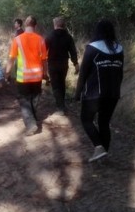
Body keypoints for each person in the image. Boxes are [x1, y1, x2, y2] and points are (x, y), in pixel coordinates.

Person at [74, 19, 124, 162]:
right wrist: (117, 91)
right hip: (113, 94)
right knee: (104, 123)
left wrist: (78, 94)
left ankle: (98, 147)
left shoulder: (92, 47)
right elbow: (120, 72)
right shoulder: (119, 48)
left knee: (86, 120)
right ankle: (103, 155)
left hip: (94, 93)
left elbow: (83, 73)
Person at [5, 16, 48, 136]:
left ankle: (30, 125)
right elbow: (44, 60)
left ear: (25, 25)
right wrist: (45, 73)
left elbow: (11, 58)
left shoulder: (17, 40)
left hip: (23, 77)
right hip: (37, 76)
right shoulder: (41, 40)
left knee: (24, 101)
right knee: (35, 98)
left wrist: (7, 73)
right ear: (35, 26)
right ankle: (33, 118)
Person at [45, 16, 79, 115]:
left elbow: (43, 51)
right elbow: (73, 51)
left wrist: (42, 64)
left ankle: (60, 107)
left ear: (55, 25)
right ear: (63, 25)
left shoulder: (50, 36)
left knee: (55, 85)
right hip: (64, 64)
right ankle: (62, 104)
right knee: (62, 83)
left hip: (52, 64)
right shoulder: (68, 37)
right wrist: (76, 63)